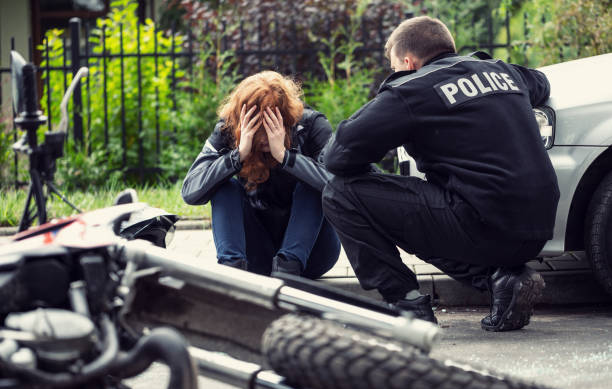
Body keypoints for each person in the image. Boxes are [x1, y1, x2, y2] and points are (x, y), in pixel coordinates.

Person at [321, 16, 559, 331]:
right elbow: (541, 83)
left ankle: (407, 304)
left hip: (483, 227)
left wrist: (394, 95)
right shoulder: (501, 71)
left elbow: (338, 155)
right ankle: (500, 281)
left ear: (407, 62)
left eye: (394, 68)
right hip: (539, 228)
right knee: (436, 213)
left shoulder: (412, 89)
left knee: (339, 193)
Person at [182, 71, 340, 278]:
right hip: (257, 253)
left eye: (271, 125)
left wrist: (286, 158)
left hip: (312, 254)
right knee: (224, 185)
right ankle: (231, 272)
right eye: (257, 127)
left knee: (312, 182)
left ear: (286, 118)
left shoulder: (311, 125)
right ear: (243, 121)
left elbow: (338, 185)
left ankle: (288, 267)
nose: (264, 137)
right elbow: (190, 191)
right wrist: (237, 156)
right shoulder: (228, 129)